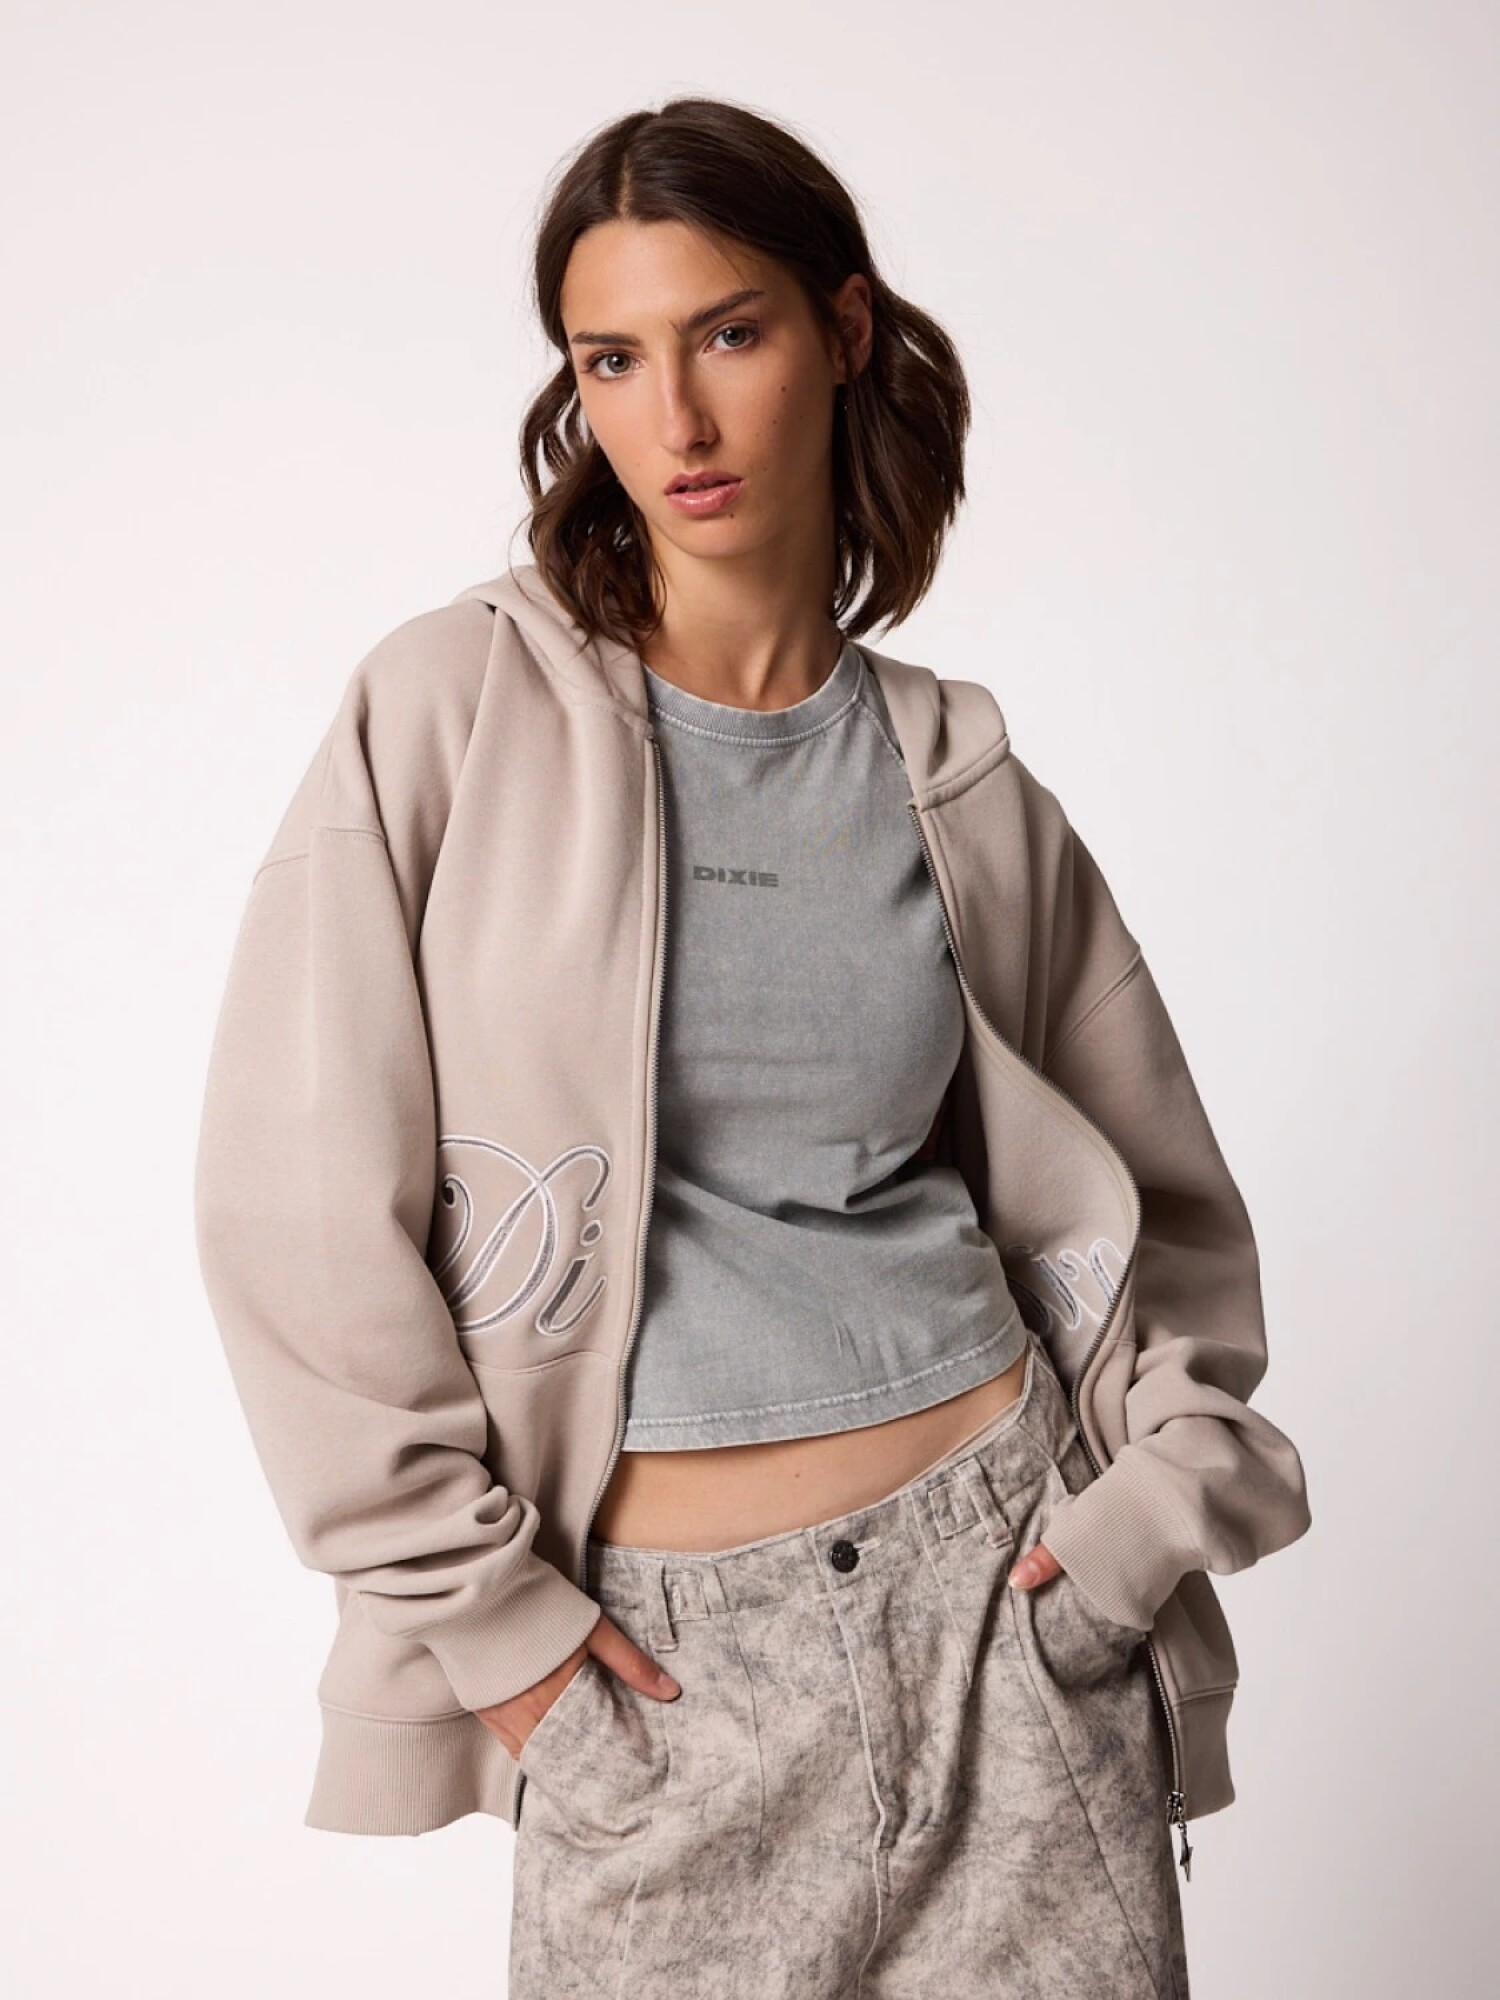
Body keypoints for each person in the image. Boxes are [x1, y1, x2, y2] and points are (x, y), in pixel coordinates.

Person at [193, 95, 1312, 1999]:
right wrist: (509, 1645)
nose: (677, 421)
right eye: (611, 359)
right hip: (653, 1679)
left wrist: (1135, 1536)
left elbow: (1164, 1221)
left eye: (728, 332)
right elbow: (292, 1215)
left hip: (1011, 1628)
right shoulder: (448, 712)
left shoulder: (959, 781)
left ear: (842, 329)